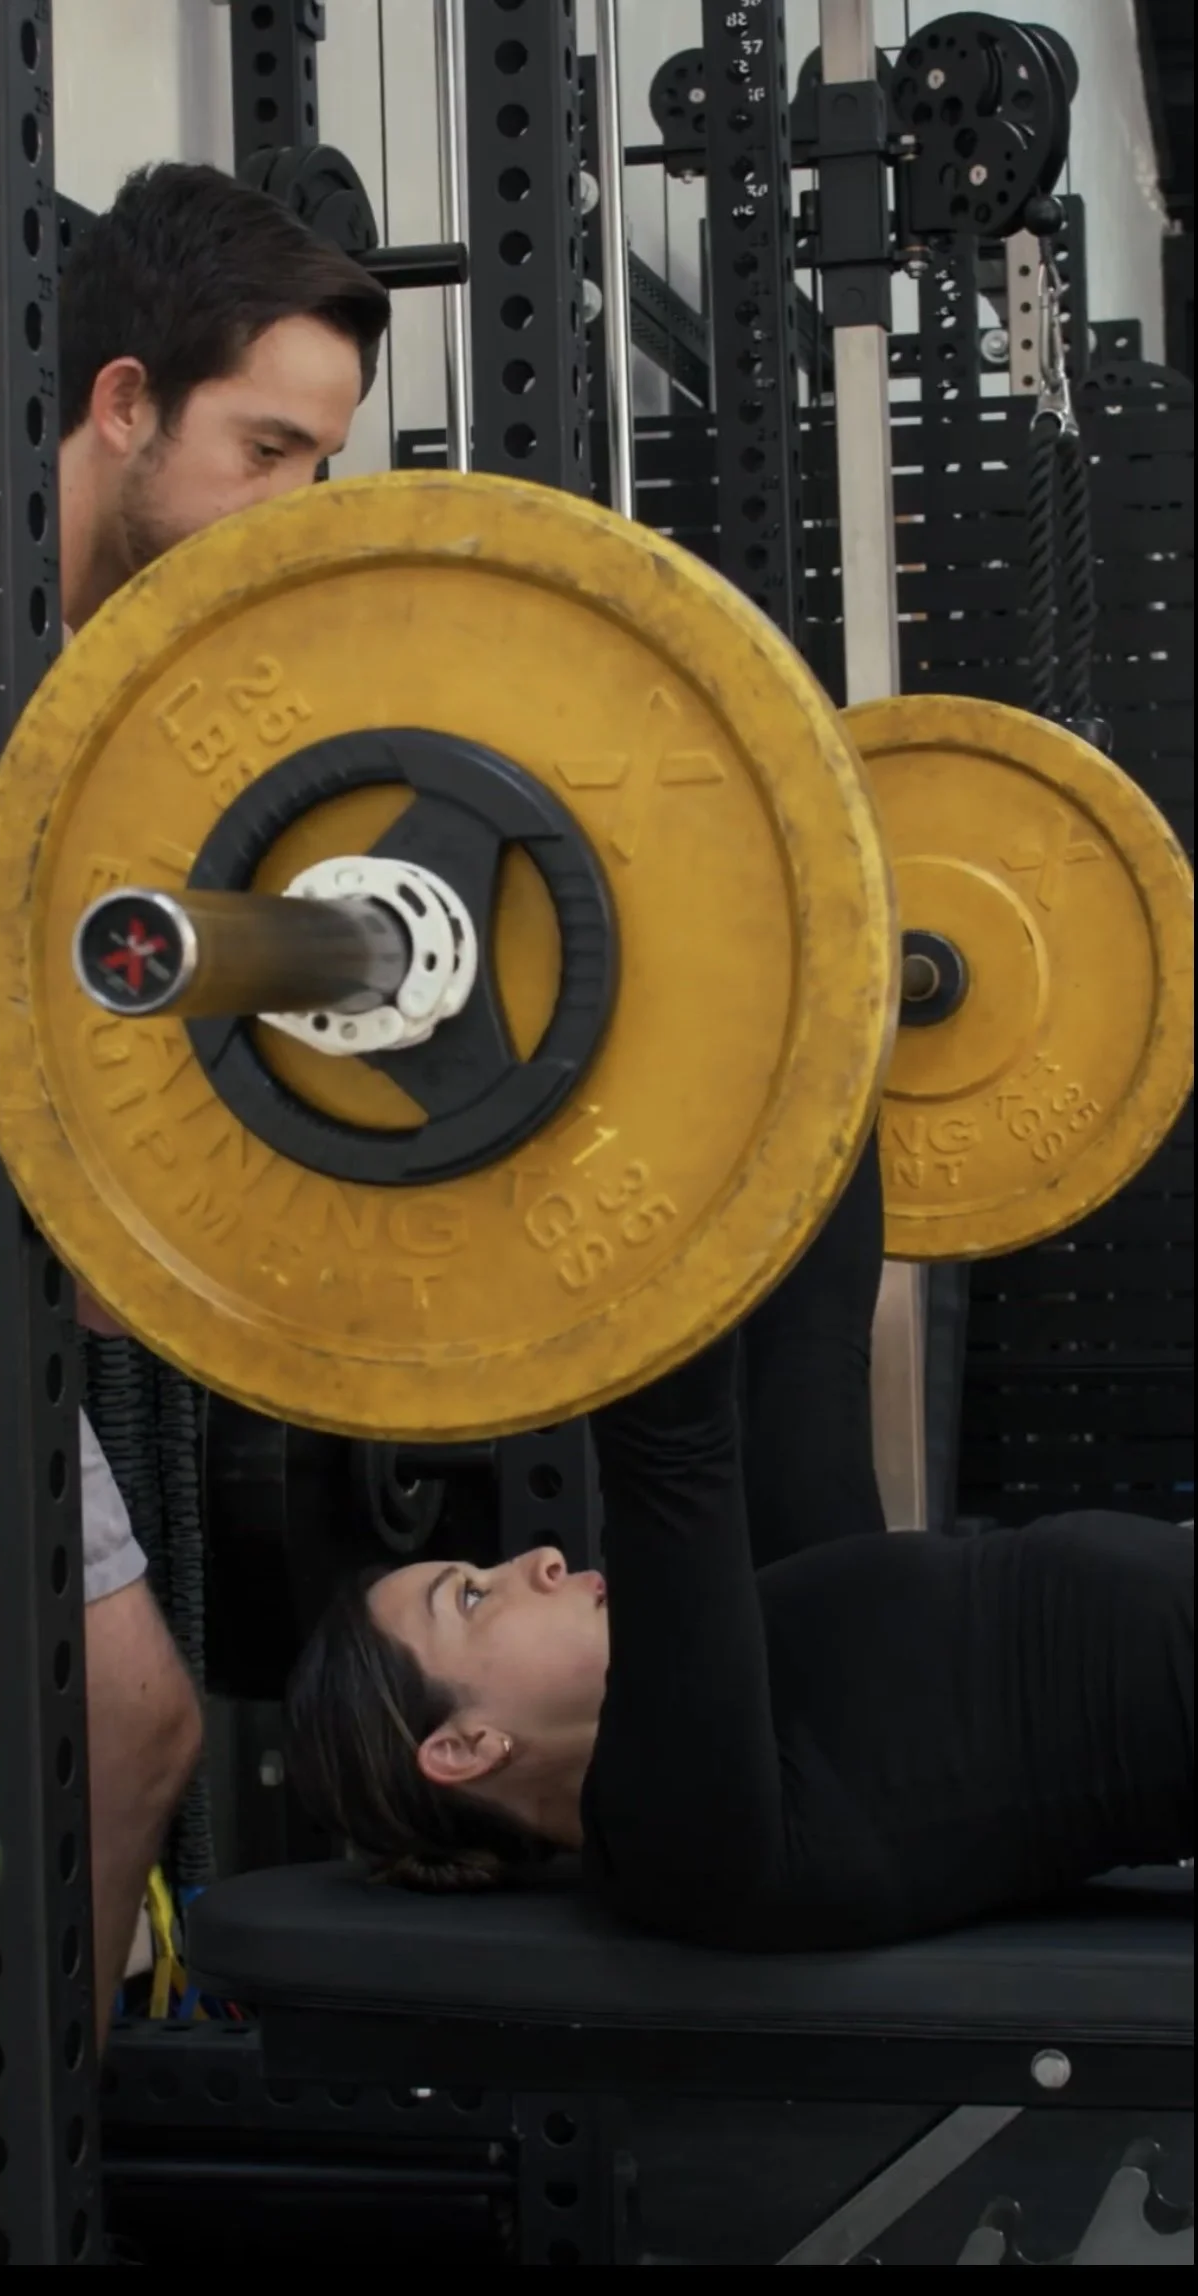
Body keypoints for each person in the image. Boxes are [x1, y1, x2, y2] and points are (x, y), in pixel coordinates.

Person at [286, 1132, 1193, 1947]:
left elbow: (812, 1339)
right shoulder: (674, 1842)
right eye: (472, 1596)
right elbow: (669, 1441)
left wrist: (840, 1036)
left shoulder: (776, 1678)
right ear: (466, 1746)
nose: (542, 1561)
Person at [61, 160, 390, 2041]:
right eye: (262, 450)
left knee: (133, 1729)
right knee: (129, 1721)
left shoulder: (140, 676)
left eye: (320, 465)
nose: (293, 509)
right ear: (126, 404)